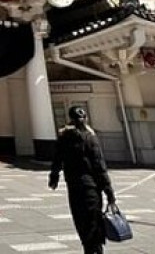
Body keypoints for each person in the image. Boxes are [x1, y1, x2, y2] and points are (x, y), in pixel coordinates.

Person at [49, 106, 116, 254]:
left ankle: (88, 247)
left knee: (80, 219)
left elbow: (57, 159)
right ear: (85, 118)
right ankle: (95, 250)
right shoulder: (89, 137)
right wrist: (109, 191)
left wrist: (54, 176)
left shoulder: (64, 138)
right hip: (91, 186)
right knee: (93, 221)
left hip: (74, 186)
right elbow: (99, 166)